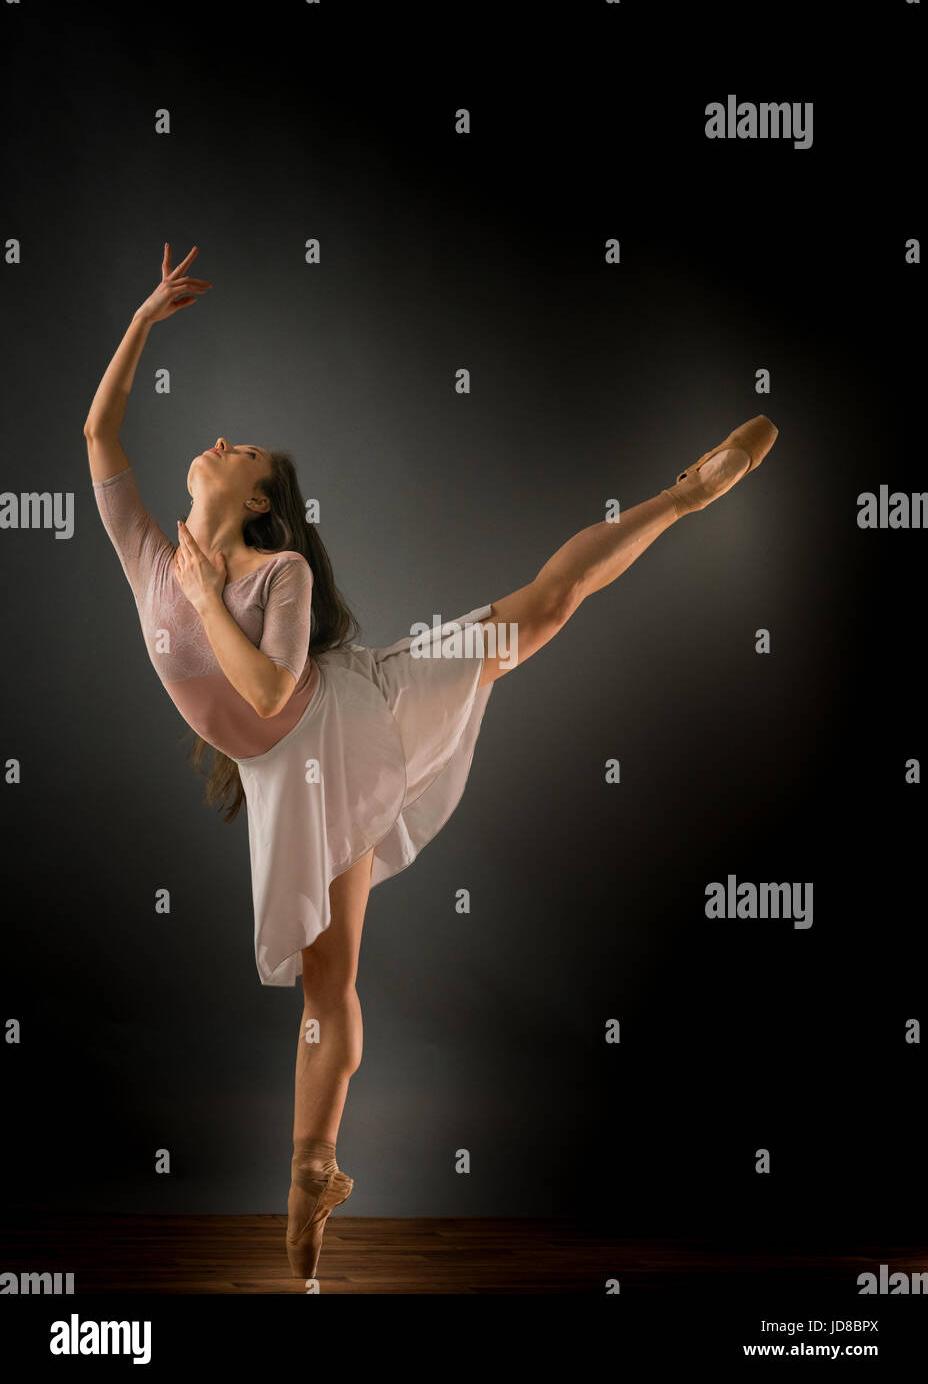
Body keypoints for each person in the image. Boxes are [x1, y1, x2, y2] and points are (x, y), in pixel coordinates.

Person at [84, 242, 779, 1284]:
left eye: (242, 451)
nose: (220, 439)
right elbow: (98, 432)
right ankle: (311, 1172)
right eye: (227, 442)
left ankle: (680, 496)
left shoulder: (276, 572)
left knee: (529, 616)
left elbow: (275, 692)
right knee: (329, 986)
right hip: (295, 783)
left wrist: (195, 596)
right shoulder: (148, 552)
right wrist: (143, 317)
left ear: (263, 502)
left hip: (359, 710)